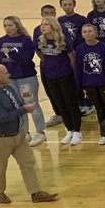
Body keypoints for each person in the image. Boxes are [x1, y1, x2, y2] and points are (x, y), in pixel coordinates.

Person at [0, 65, 58, 205]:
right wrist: (23, 110)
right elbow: (1, 118)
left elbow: (18, 103)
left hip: (18, 135)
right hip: (0, 139)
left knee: (28, 163)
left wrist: (26, 102)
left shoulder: (8, 89)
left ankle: (35, 193)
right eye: (6, 73)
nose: (9, 74)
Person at [0, 16, 47, 145]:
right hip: (10, 80)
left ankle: (40, 132)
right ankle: (24, 133)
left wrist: (10, 52)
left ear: (17, 26)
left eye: (10, 25)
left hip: (26, 78)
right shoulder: (1, 41)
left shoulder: (26, 40)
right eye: (5, 26)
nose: (7, 28)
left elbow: (25, 59)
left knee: (31, 104)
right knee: (18, 106)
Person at [35, 17, 82, 146]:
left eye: (46, 24)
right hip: (50, 76)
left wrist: (74, 74)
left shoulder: (62, 40)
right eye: (42, 24)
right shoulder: (41, 40)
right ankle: (69, 130)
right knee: (60, 104)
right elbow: (41, 55)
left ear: (53, 26)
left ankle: (77, 131)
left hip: (65, 76)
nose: (43, 27)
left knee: (70, 103)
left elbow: (72, 57)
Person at [75, 22, 105, 145]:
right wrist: (82, 86)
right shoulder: (80, 49)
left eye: (90, 31)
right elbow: (79, 69)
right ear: (81, 34)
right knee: (99, 109)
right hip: (89, 84)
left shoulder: (104, 48)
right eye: (85, 32)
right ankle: (104, 133)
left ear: (95, 33)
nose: (87, 34)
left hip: (104, 84)